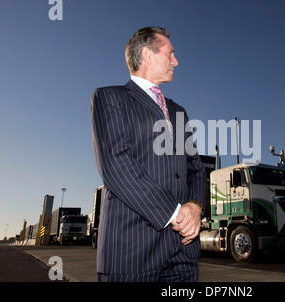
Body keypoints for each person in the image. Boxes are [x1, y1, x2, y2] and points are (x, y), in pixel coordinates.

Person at [90, 26, 206, 282]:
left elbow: (195, 168)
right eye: (170, 53)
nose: (176, 61)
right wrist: (177, 214)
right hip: (132, 253)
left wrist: (195, 206)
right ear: (147, 55)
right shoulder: (110, 98)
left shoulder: (178, 112)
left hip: (182, 254)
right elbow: (117, 167)